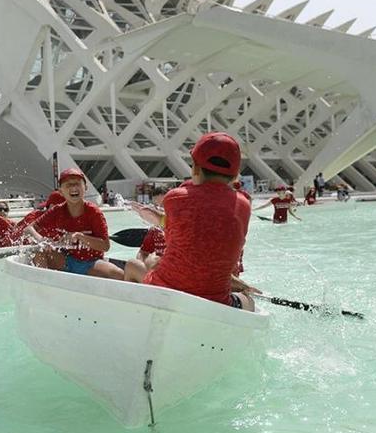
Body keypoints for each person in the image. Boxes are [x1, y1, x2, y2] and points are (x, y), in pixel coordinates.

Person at [123, 132, 255, 311]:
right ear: (235, 176)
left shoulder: (174, 198)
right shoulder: (244, 206)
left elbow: (177, 244)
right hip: (215, 300)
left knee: (135, 265)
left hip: (166, 288)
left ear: (195, 169)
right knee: (249, 302)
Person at [26, 168, 124, 279]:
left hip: (90, 263)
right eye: (68, 185)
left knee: (118, 274)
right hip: (65, 260)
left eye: (77, 184)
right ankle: (45, 288)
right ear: (61, 191)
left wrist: (80, 236)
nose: (73, 188)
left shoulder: (94, 212)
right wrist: (41, 240)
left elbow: (105, 246)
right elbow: (29, 229)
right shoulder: (56, 210)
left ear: (85, 188)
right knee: (39, 251)